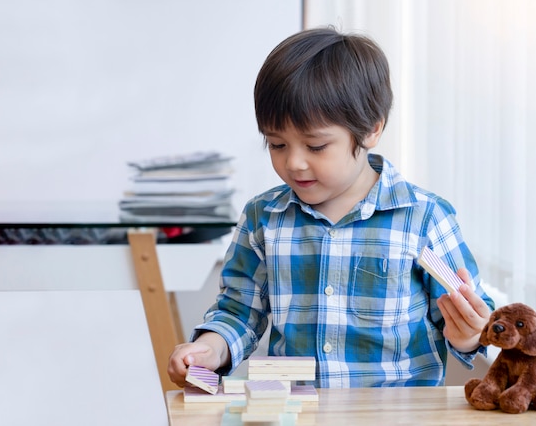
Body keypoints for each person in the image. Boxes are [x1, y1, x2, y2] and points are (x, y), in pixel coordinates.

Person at [168, 27, 495, 388]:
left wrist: (469, 335)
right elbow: (239, 313)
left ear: (371, 130)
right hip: (294, 411)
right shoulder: (263, 217)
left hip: (397, 416)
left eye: (316, 146)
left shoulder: (424, 218)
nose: (294, 163)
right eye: (277, 144)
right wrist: (208, 350)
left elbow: (480, 329)